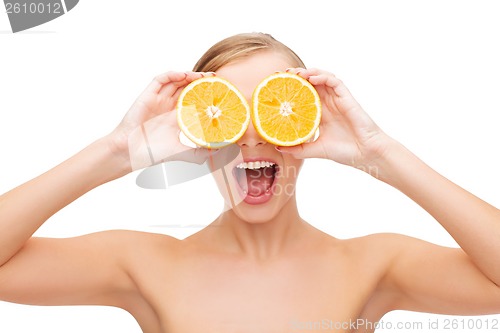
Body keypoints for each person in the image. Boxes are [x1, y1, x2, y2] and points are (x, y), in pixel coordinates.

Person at [0, 32, 499, 333]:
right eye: (228, 113)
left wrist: (379, 153)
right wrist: (114, 151)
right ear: (196, 131)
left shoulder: (372, 265)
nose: (251, 138)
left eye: (273, 110)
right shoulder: (144, 264)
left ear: (308, 122)